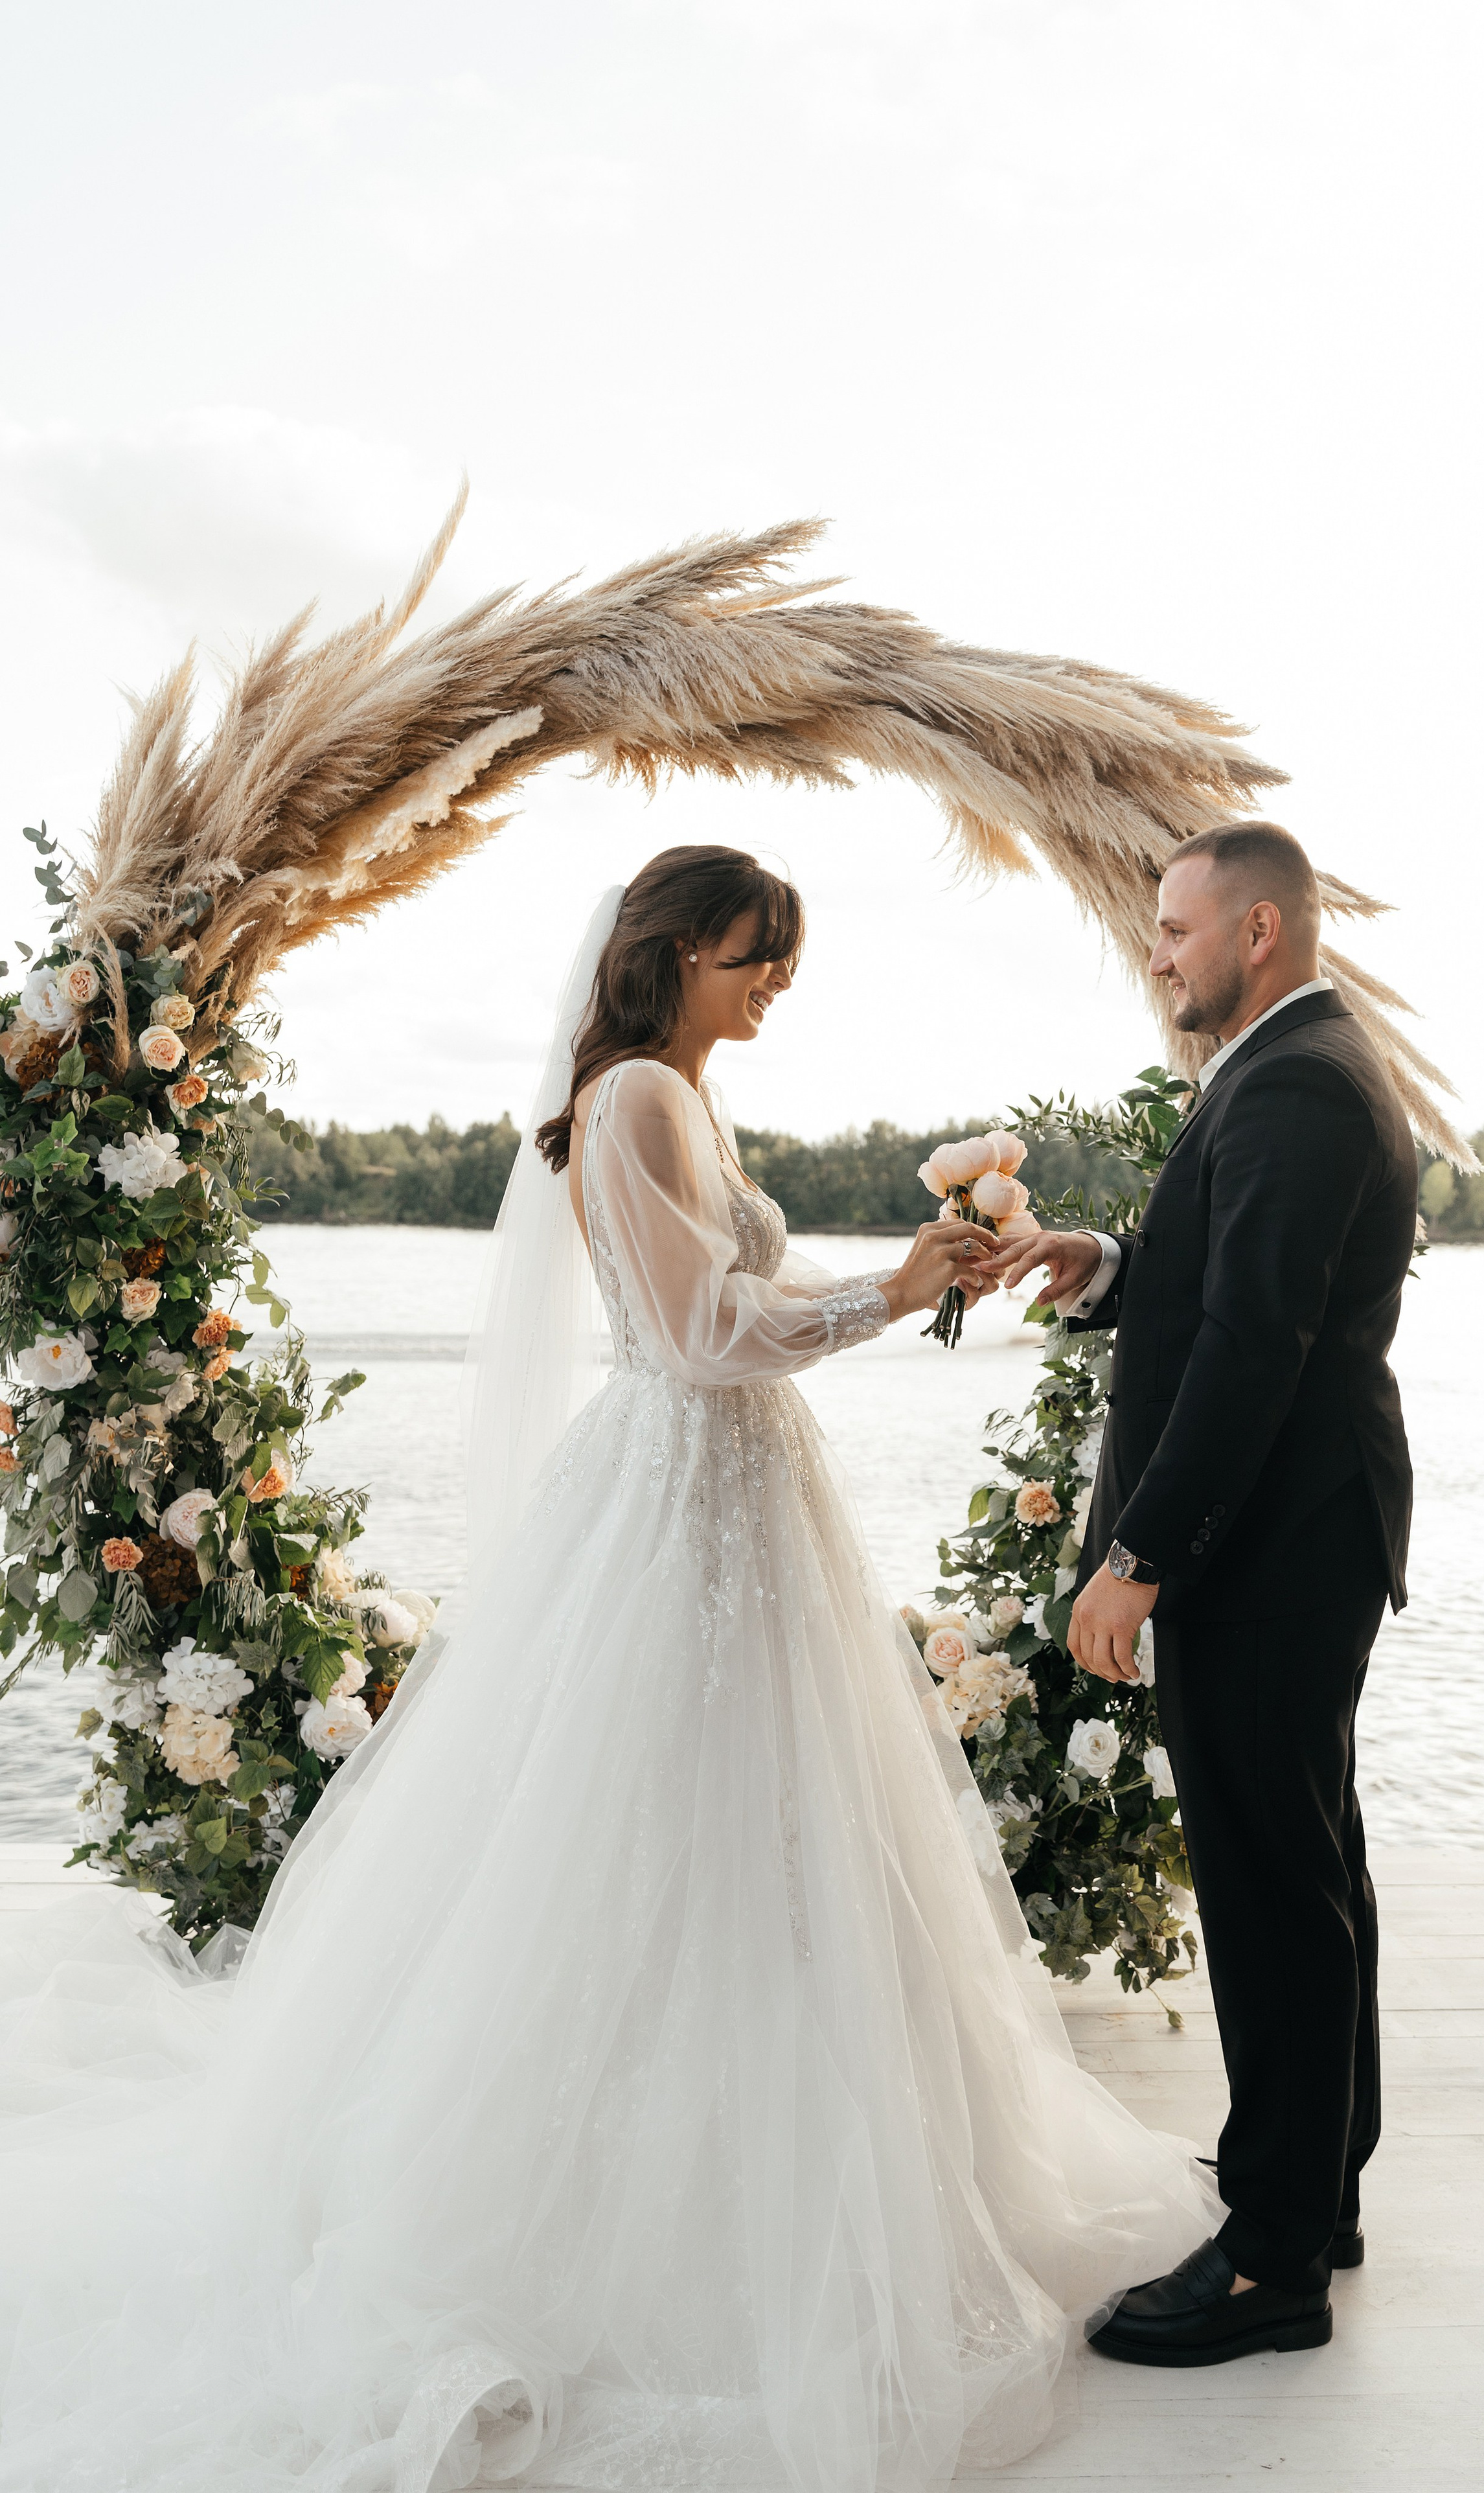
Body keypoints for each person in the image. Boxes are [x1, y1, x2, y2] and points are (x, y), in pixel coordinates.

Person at [0, 845, 1220, 2493]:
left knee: (763, 1839)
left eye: (782, 957)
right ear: (669, 952)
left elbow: (733, 1293)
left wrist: (905, 1270)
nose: (773, 982)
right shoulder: (640, 1092)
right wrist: (891, 1291)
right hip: (681, 1503)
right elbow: (704, 1338)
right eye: (751, 954)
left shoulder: (681, 1095)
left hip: (737, 1498)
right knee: (666, 1831)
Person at [984, 820, 1418, 2367]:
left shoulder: (1297, 1081)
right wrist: (1105, 1262)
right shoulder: (1290, 1063)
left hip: (1268, 1548)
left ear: (1257, 931)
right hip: (1301, 1537)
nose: (1153, 950)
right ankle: (1310, 2185)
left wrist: (1138, 1555)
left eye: (1173, 926)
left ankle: (1269, 2263)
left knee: (1268, 1887)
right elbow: (1226, 1280)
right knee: (1307, 1865)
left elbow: (1251, 1346)